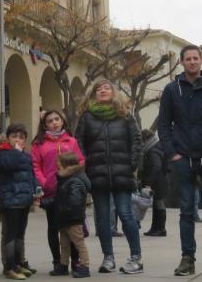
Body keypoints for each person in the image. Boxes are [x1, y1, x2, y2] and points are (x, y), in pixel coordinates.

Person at [155, 45, 202, 277]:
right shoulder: (171, 90)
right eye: (187, 59)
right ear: (181, 63)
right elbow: (163, 125)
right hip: (183, 159)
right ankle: (187, 259)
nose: (191, 62)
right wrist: (172, 154)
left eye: (195, 58)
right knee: (186, 212)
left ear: (201, 61)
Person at [75, 79, 143, 274]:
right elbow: (78, 142)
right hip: (97, 174)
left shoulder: (125, 115)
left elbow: (136, 140)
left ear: (114, 92)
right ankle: (108, 258)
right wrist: (86, 166)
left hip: (122, 173)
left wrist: (132, 164)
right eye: (98, 89)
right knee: (103, 219)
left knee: (126, 213)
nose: (102, 91)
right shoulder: (86, 117)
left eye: (106, 88)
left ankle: (136, 257)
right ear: (93, 94)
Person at [30, 109, 85, 275]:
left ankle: (76, 260)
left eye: (57, 119)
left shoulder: (71, 141)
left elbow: (81, 161)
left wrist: (71, 175)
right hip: (51, 192)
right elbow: (35, 166)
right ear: (44, 125)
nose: (54, 122)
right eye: (49, 121)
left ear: (62, 120)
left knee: (72, 226)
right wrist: (45, 182)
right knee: (54, 227)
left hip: (70, 192)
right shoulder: (38, 144)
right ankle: (58, 261)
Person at [0, 124, 41, 280]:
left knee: (19, 234)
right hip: (10, 201)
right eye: (14, 136)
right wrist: (17, 151)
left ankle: (18, 263)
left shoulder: (26, 155)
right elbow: (7, 165)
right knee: (10, 235)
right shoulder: (3, 153)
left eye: (21, 137)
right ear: (8, 138)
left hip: (24, 200)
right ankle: (9, 266)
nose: (18, 140)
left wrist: (37, 188)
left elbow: (32, 175)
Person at [53, 152, 92, 278]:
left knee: (78, 242)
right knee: (64, 244)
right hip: (64, 218)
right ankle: (64, 265)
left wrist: (63, 209)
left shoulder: (75, 180)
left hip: (72, 219)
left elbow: (74, 202)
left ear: (66, 164)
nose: (56, 164)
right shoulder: (65, 178)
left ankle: (85, 266)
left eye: (58, 162)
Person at [139, 129, 169, 237]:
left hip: (158, 182)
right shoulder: (157, 147)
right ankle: (155, 228)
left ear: (146, 139)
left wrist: (148, 182)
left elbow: (156, 166)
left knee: (158, 204)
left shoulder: (153, 151)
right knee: (157, 205)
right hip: (160, 180)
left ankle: (160, 228)